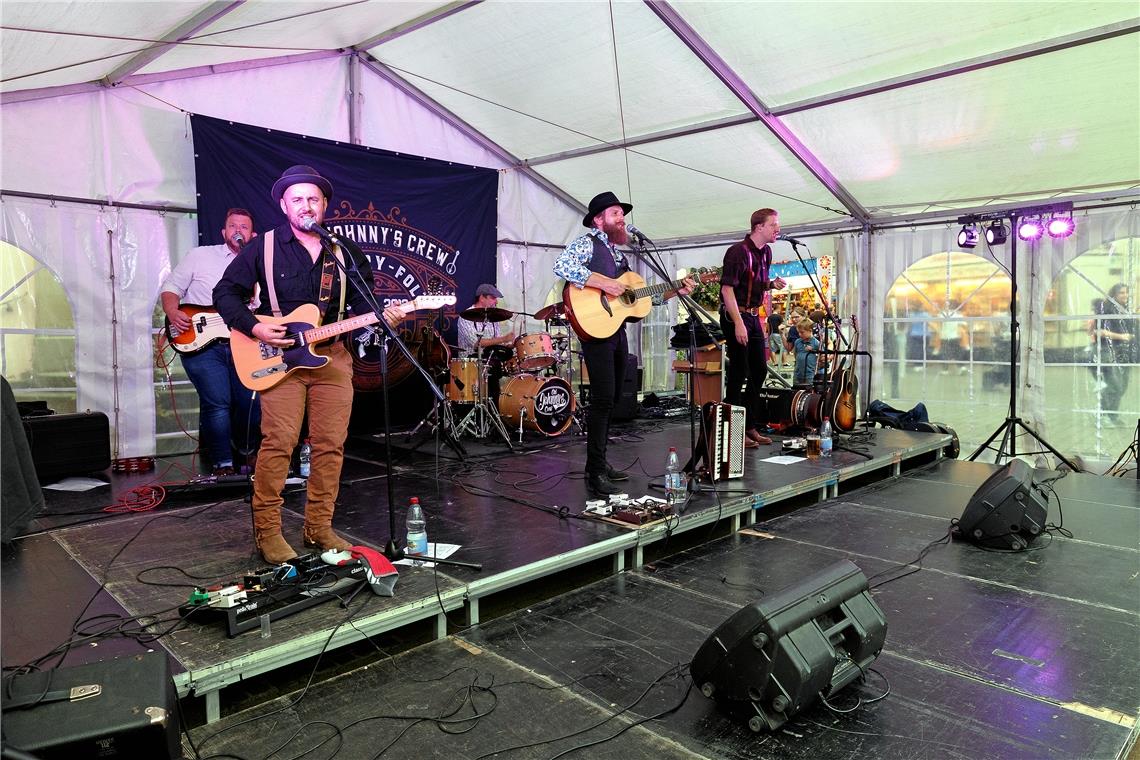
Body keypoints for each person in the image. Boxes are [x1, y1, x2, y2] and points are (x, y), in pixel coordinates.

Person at [214, 165, 406, 564]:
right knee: (279, 443)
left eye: (313, 199)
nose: (306, 205)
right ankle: (268, 531)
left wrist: (384, 315)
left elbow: (361, 303)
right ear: (285, 205)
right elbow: (225, 294)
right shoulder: (263, 246)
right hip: (279, 358)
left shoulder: (345, 251)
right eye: (297, 198)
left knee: (331, 446)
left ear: (324, 206)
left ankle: (318, 527)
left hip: (332, 357)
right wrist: (255, 328)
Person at [554, 191, 694, 496]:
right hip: (594, 327)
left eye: (623, 214)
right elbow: (562, 266)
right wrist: (604, 283)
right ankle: (594, 471)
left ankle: (601, 463)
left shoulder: (619, 255)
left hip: (615, 329)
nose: (622, 220)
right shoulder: (586, 243)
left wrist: (676, 291)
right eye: (616, 214)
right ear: (598, 219)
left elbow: (643, 298)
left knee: (614, 398)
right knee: (603, 400)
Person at [161, 208, 260, 475]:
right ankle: (223, 464)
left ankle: (246, 453)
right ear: (224, 232)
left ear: (253, 235)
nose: (238, 230)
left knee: (251, 402)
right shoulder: (200, 256)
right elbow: (171, 288)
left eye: (244, 227)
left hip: (244, 344)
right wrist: (172, 312)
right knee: (218, 403)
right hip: (201, 342)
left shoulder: (261, 265)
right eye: (233, 226)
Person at [720, 208, 787, 448]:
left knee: (759, 370)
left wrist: (771, 284)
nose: (778, 229)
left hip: (753, 316)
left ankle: (749, 426)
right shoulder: (737, 252)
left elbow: (755, 283)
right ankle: (733, 432)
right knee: (739, 372)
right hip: (734, 314)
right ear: (759, 227)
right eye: (773, 225)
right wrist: (738, 322)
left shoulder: (766, 252)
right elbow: (727, 289)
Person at [457, 283, 515, 403]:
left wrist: (508, 346)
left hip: (490, 362)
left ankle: (495, 409)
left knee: (496, 369)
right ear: (482, 297)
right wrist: (503, 339)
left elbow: (495, 341)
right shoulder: (466, 316)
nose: (496, 302)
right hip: (470, 364)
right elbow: (477, 343)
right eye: (493, 298)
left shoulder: (493, 318)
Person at [1090, 283, 1134, 423]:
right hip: (1107, 352)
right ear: (1114, 294)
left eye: (1127, 293)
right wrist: (1121, 337)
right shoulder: (1106, 309)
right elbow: (1098, 331)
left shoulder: (1124, 310)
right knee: (1115, 386)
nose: (1125, 295)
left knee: (1121, 387)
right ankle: (1107, 415)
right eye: (1122, 293)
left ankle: (1107, 414)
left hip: (1123, 354)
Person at [787, 317, 821, 386]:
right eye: (798, 332)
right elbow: (795, 354)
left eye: (802, 332)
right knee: (796, 389)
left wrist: (813, 350)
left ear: (810, 330)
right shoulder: (797, 342)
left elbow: (821, 356)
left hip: (810, 374)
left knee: (808, 389)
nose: (799, 334)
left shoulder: (816, 343)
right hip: (798, 373)